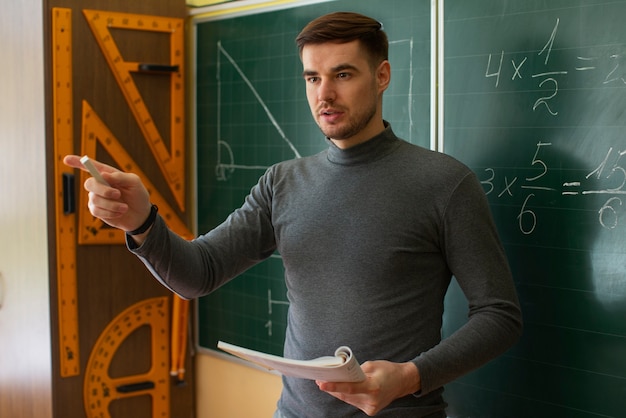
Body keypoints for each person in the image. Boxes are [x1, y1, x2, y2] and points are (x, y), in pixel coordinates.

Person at [65, 11, 522, 418]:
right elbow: (196, 274)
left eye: (342, 74)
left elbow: (499, 315)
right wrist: (142, 223)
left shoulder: (444, 183)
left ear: (381, 75)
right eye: (312, 78)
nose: (325, 94)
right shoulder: (281, 183)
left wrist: (409, 376)